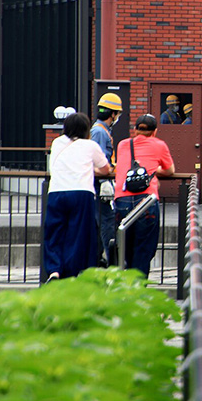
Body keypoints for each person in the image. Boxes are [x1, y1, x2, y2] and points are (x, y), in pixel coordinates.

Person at [44, 112, 111, 282]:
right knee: (77, 234)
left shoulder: (57, 142)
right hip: (81, 192)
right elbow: (106, 169)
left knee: (54, 232)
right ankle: (71, 274)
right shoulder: (90, 145)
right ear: (86, 129)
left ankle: (54, 270)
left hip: (56, 191)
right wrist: (90, 169)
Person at [113, 114, 175, 277]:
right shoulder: (159, 145)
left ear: (135, 130)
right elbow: (170, 170)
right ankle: (138, 288)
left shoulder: (123, 145)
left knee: (125, 246)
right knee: (144, 247)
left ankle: (124, 284)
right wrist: (154, 172)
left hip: (122, 199)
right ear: (155, 131)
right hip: (146, 201)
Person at [90, 93, 123, 265]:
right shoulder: (99, 132)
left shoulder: (101, 130)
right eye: (117, 113)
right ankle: (112, 262)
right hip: (100, 184)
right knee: (106, 222)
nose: (117, 117)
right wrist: (104, 182)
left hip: (102, 183)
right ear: (113, 114)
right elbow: (99, 159)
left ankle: (97, 261)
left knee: (101, 223)